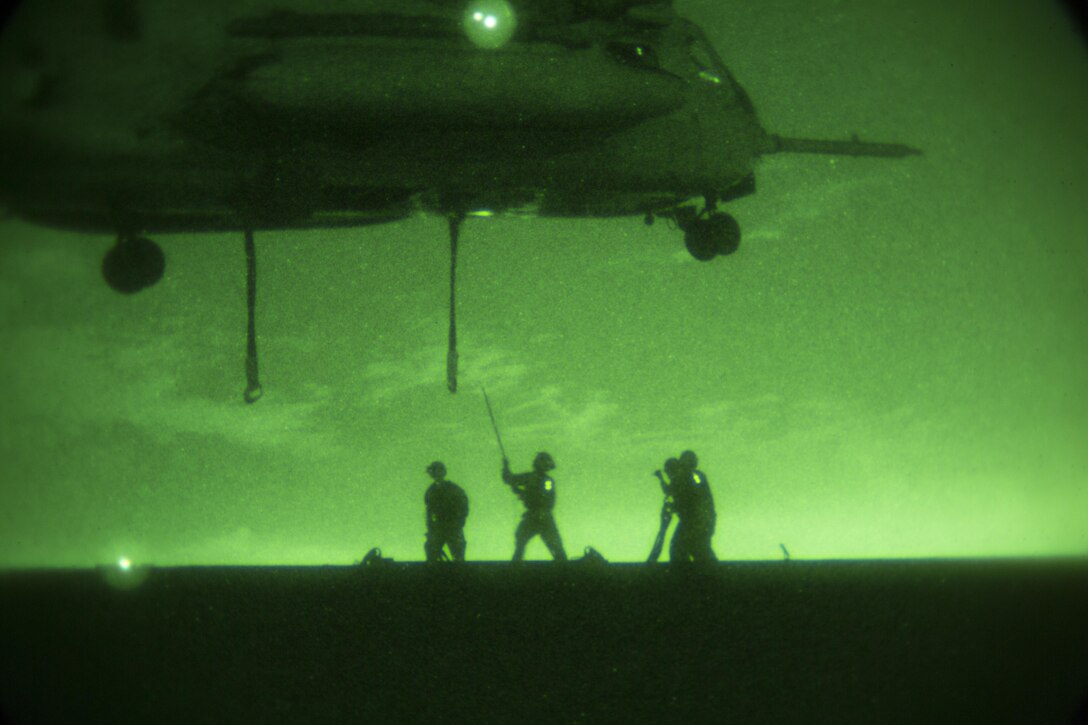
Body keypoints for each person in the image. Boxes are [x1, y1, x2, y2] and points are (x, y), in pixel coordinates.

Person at [502, 452, 567, 562]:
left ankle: (516, 565)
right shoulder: (535, 478)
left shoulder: (547, 481)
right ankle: (516, 565)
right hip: (540, 516)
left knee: (553, 545)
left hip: (541, 516)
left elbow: (545, 497)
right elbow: (509, 479)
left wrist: (522, 492)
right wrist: (506, 467)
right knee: (521, 539)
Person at [670, 449, 717, 563]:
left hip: (698, 521)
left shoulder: (696, 476)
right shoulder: (692, 477)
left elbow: (697, 488)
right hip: (700, 520)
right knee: (695, 548)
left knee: (689, 547)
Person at [424, 461, 469, 562]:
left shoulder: (453, 489)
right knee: (431, 551)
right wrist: (430, 528)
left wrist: (459, 523)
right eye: (433, 471)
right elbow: (429, 512)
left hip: (453, 525)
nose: (434, 474)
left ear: (442, 472)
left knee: (458, 555)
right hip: (440, 526)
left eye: (436, 471)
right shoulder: (431, 491)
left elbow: (464, 506)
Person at [647, 457, 681, 563]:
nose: (669, 476)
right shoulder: (681, 479)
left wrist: (661, 478)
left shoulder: (680, 479)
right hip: (695, 520)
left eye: (668, 472)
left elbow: (669, 491)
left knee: (677, 547)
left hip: (693, 521)